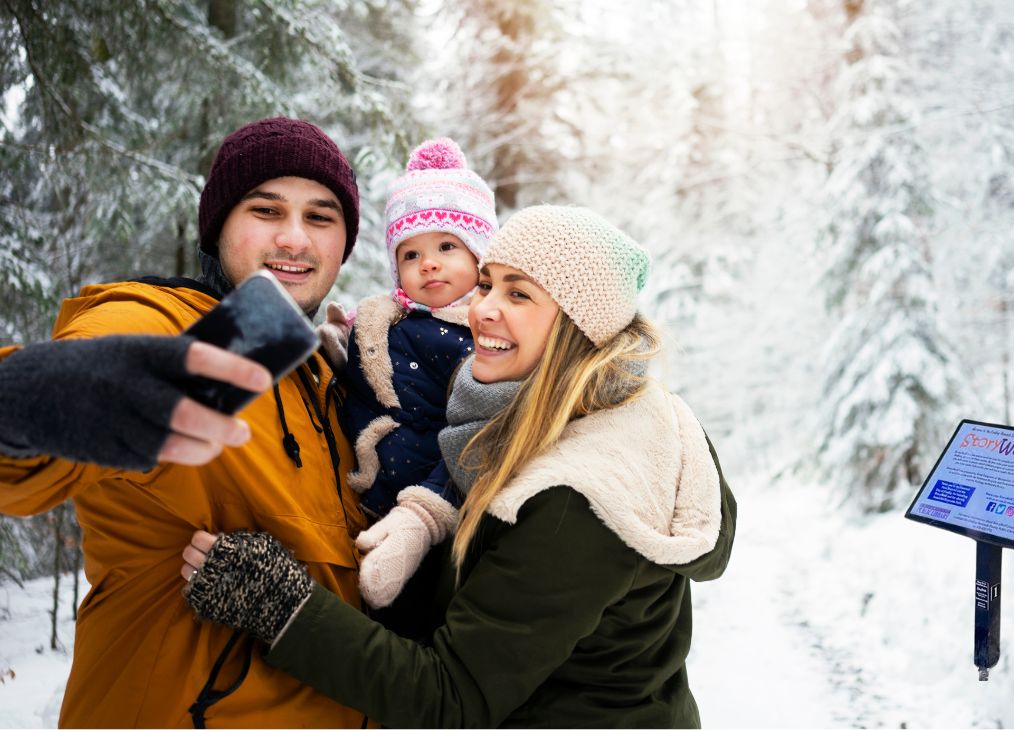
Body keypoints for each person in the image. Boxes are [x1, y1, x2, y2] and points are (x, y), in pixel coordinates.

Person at [181, 205, 738, 728]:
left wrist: (285, 607)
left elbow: (451, 698)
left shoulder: (577, 497)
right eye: (488, 282)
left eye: (518, 294)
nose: (481, 308)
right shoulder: (541, 416)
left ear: (576, 328)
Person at [0, 117, 371, 728]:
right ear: (219, 225)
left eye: (321, 217)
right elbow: (27, 449)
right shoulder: (163, 324)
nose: (296, 240)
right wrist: (35, 396)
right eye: (267, 210)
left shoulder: (331, 380)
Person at [327, 137, 498, 609]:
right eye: (410, 254)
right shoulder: (383, 318)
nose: (428, 263)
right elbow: (366, 383)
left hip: (436, 494)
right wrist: (344, 351)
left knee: (417, 605)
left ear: (481, 256)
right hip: (362, 492)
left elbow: (484, 426)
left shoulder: (484, 333)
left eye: (447, 245)